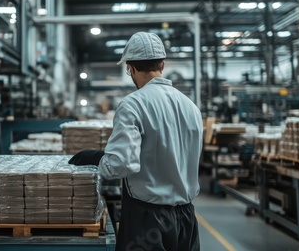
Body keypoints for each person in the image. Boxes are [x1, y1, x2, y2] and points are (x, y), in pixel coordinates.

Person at [69, 32, 203, 251]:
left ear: (130, 68)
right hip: (186, 218)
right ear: (162, 63)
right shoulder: (191, 107)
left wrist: (99, 158)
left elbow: (122, 165)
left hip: (149, 220)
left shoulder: (133, 105)